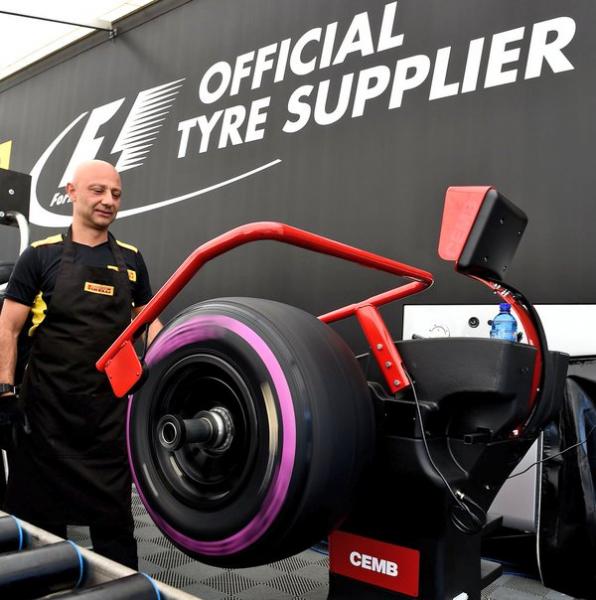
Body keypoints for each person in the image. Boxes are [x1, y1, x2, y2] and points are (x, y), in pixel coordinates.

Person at [0, 159, 162, 569]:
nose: (108, 200)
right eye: (98, 190)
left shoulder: (131, 259)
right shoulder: (40, 256)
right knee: (38, 532)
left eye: (116, 194)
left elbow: (148, 323)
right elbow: (9, 327)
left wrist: (172, 366)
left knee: (114, 530)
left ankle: (124, 589)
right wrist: (4, 390)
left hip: (107, 420)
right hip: (45, 419)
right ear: (71, 192)